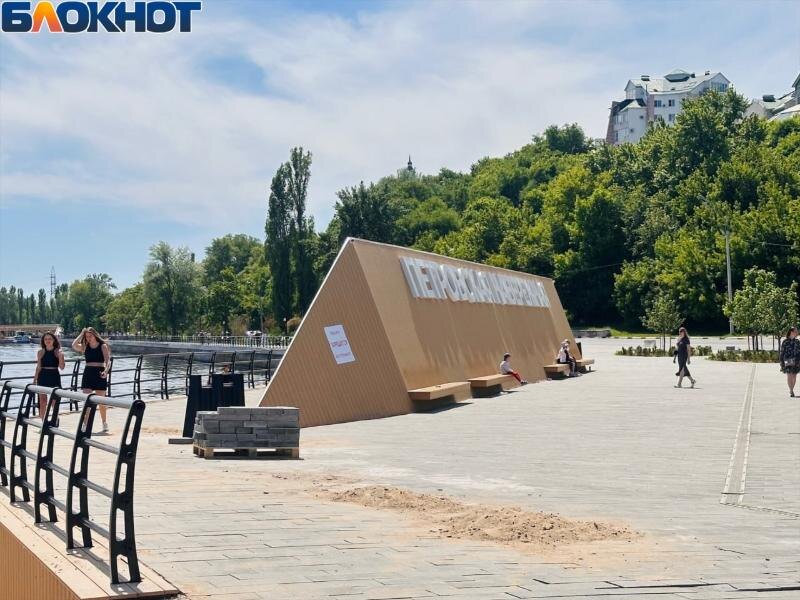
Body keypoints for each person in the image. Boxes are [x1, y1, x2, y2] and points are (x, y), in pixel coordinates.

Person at [72, 327, 111, 432]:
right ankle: (85, 424)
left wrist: (106, 372)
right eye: (87, 336)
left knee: (101, 401)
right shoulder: (85, 346)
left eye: (90, 336)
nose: (88, 338)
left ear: (95, 335)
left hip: (99, 374)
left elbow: (108, 361)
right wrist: (81, 334)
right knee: (87, 400)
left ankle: (104, 422)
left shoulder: (102, 346)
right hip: (88, 374)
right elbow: (74, 345)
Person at [34, 332, 65, 418]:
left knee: (54, 401)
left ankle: (55, 419)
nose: (48, 341)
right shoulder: (40, 352)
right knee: (42, 401)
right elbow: (38, 367)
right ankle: (43, 422)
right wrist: (34, 380)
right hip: (42, 377)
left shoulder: (58, 352)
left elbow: (62, 367)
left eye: (50, 339)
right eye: (46, 339)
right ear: (43, 341)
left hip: (54, 376)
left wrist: (61, 356)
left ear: (54, 340)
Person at [779, 326, 799, 397]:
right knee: (789, 375)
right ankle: (791, 390)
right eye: (795, 331)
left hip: (796, 361)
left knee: (794, 376)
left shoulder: (797, 341)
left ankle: (792, 389)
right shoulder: (785, 341)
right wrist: (781, 361)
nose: (797, 332)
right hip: (787, 360)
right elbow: (782, 352)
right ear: (791, 332)